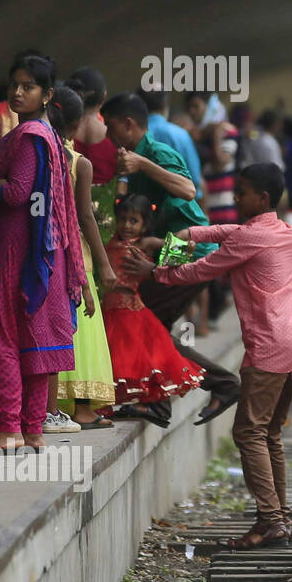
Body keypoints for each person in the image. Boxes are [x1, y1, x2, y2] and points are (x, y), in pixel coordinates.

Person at [126, 164, 292, 547]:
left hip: (269, 350)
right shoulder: (279, 230)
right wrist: (181, 236)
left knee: (248, 432)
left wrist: (153, 270)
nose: (236, 198)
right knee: (269, 433)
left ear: (260, 198)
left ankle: (272, 519)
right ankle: (278, 519)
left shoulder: (252, 238)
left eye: (241, 193)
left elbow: (202, 270)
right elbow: (229, 233)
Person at [102, 91, 240, 424]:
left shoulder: (155, 153)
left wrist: (143, 165)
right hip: (167, 249)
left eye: (111, 128)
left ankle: (220, 384)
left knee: (143, 320)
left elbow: (188, 190)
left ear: (128, 124)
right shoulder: (130, 160)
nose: (108, 137)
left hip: (189, 252)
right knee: (150, 326)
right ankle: (158, 401)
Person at [0, 54, 88, 451]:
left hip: (19, 252)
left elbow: (16, 193)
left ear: (46, 94)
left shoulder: (29, 136)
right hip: (45, 253)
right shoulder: (50, 136)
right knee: (32, 343)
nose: (17, 92)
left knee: (3, 336)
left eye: (27, 86)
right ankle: (31, 431)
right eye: (14, 84)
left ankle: (9, 428)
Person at [49, 86, 118, 431]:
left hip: (45, 256)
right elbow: (86, 218)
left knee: (50, 330)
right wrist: (104, 264)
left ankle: (49, 404)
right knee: (81, 329)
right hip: (77, 260)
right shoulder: (79, 162)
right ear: (76, 126)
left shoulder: (35, 154)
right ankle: (82, 407)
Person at [103, 196, 205, 420]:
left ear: (144, 225)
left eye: (134, 221)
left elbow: (179, 248)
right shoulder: (108, 241)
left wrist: (180, 251)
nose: (127, 226)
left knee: (140, 361)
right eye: (123, 219)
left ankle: (147, 403)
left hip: (131, 310)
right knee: (113, 362)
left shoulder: (144, 243)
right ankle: (107, 404)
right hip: (108, 310)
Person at [187, 90, 241, 227]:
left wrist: (216, 135)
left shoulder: (227, 132)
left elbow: (220, 163)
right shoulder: (194, 135)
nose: (192, 112)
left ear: (209, 108)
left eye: (196, 106)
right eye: (190, 108)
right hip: (201, 208)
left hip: (223, 209)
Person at [142, 86, 202, 200]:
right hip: (178, 205)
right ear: (165, 104)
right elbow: (195, 178)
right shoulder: (180, 135)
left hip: (140, 207)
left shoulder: (135, 133)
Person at [67, 67, 117, 187]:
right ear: (104, 97)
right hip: (106, 203)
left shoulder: (60, 134)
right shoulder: (117, 137)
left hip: (67, 203)